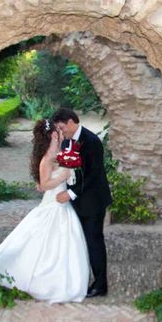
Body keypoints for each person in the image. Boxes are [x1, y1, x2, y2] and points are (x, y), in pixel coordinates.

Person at [0, 119, 89, 303]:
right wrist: (62, 176)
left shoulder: (60, 154)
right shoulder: (46, 160)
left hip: (63, 204)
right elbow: (44, 184)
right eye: (59, 131)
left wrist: (70, 175)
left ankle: (63, 280)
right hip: (53, 203)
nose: (62, 133)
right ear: (54, 135)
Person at [52, 107, 112, 298]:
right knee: (79, 241)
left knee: (94, 242)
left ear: (71, 122)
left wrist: (70, 194)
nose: (61, 132)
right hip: (77, 200)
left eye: (62, 128)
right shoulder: (68, 141)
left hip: (93, 201)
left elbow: (93, 175)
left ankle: (101, 284)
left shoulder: (92, 141)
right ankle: (78, 278)